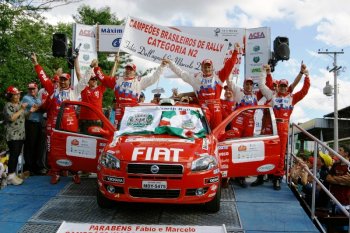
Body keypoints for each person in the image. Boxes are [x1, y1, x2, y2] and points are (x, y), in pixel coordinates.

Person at [31, 53, 86, 184]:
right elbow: (43, 78)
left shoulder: (74, 91)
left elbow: (84, 81)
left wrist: (89, 67)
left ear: (69, 81)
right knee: (53, 150)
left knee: (73, 149)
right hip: (55, 126)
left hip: (70, 127)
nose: (62, 82)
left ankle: (74, 173)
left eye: (65, 80)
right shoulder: (53, 90)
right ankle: (55, 172)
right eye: (61, 80)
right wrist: (36, 64)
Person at [252, 63, 307, 186]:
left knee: (281, 153)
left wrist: (305, 76)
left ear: (287, 87)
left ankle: (277, 177)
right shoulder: (272, 94)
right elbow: (263, 84)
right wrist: (266, 72)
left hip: (283, 127)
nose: (281, 87)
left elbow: (303, 91)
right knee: (265, 150)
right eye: (280, 85)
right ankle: (261, 176)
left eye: (283, 86)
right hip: (271, 126)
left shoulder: (291, 97)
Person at [165, 43, 240, 129]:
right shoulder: (196, 78)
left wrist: (235, 52)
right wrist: (171, 64)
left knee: (217, 132)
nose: (207, 69)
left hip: (216, 108)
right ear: (201, 68)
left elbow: (229, 66)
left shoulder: (218, 77)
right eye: (205, 67)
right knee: (203, 130)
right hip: (204, 107)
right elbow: (181, 73)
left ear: (212, 68)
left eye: (209, 67)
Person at [93, 56, 167, 127]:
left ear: (134, 72)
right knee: (117, 130)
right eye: (127, 69)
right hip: (119, 110)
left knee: (130, 129)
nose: (128, 71)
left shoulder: (139, 81)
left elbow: (153, 78)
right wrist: (96, 68)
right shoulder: (118, 79)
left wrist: (162, 67)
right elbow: (103, 79)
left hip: (132, 110)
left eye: (130, 69)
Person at [3, 86, 32, 185]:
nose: (18, 96)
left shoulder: (20, 104)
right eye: (16, 94)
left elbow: (24, 115)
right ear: (11, 96)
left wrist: (31, 111)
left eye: (19, 94)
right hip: (12, 134)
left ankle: (13, 175)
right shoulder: (8, 105)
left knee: (16, 154)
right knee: (14, 154)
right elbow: (11, 118)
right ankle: (10, 175)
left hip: (21, 134)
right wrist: (21, 109)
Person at [74, 56, 106, 133]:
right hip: (84, 120)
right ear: (88, 80)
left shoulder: (100, 89)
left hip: (97, 120)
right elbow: (78, 73)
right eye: (92, 79)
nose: (94, 80)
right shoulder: (84, 88)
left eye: (95, 79)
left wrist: (116, 62)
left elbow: (109, 77)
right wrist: (76, 59)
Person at [22, 82, 45, 176]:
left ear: (36, 89)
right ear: (28, 90)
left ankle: (36, 167)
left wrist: (41, 107)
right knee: (30, 145)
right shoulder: (26, 98)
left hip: (39, 123)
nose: (32, 91)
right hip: (30, 123)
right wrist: (42, 107)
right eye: (30, 89)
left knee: (38, 146)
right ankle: (28, 168)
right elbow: (37, 108)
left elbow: (40, 108)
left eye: (33, 89)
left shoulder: (37, 98)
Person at [326, 146, 350, 214]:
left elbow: (348, 182)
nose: (338, 152)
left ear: (346, 153)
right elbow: (328, 178)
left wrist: (334, 178)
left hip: (345, 200)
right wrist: (341, 180)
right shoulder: (335, 165)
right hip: (334, 198)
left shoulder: (349, 166)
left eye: (340, 150)